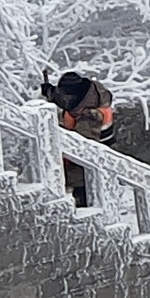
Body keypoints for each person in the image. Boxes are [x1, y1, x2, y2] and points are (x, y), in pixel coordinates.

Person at [43, 69, 120, 204]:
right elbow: (65, 100)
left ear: (75, 98)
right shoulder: (88, 95)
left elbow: (81, 151)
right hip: (86, 167)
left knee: (87, 200)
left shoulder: (90, 117)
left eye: (66, 98)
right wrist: (51, 93)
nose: (63, 102)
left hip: (90, 169)